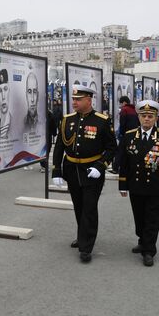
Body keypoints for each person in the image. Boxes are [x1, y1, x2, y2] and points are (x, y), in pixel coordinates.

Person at [52, 85, 117, 263]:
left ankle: (86, 246)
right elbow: (59, 146)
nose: (74, 102)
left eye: (78, 99)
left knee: (89, 207)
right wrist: (56, 170)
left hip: (92, 171)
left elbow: (112, 148)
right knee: (78, 206)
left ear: (89, 100)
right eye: (73, 99)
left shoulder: (102, 121)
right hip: (72, 170)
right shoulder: (67, 120)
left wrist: (101, 166)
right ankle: (83, 235)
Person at [118, 100, 159, 266]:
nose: (146, 119)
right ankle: (142, 240)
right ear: (138, 117)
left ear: (156, 118)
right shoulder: (130, 136)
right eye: (143, 116)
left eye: (150, 116)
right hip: (136, 185)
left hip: (154, 186)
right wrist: (123, 184)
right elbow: (124, 163)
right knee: (139, 217)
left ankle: (149, 250)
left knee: (152, 218)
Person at [110, 96, 138, 174]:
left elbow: (122, 124)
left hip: (125, 134)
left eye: (121, 103)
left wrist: (121, 134)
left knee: (120, 151)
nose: (121, 105)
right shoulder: (135, 109)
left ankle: (115, 168)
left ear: (124, 102)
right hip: (134, 134)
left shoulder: (124, 110)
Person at [0, 69, 12, 140]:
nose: (3, 97)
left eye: (5, 89)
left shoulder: (19, 126)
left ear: (9, 92)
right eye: (0, 91)